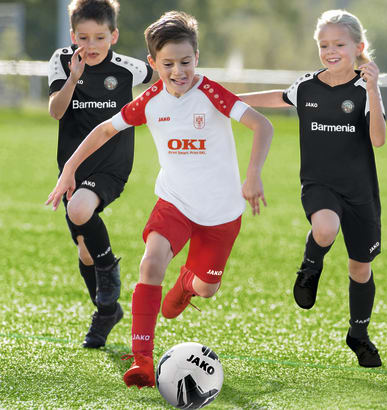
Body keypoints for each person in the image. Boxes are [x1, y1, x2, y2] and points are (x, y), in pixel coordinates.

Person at [46, 10, 274, 388]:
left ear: (196, 58)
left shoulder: (213, 93)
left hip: (220, 214)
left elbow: (261, 124)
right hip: (174, 203)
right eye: (168, 64)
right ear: (153, 64)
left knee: (207, 288)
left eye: (186, 62)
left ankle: (187, 284)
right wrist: (70, 168)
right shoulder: (150, 100)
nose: (178, 71)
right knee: (150, 265)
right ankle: (143, 362)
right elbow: (104, 129)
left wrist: (252, 175)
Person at [238, 9, 385, 368]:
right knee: (325, 227)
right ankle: (310, 266)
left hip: (360, 192)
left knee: (359, 269)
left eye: (339, 44)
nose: (330, 51)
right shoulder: (307, 85)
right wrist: (229, 100)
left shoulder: (363, 90)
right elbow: (279, 97)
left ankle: (358, 334)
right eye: (323, 44)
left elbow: (379, 140)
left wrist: (374, 89)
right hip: (319, 185)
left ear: (358, 46)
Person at [47, 0, 154, 350]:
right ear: (72, 35)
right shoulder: (62, 61)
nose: (91, 45)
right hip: (73, 166)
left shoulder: (130, 68)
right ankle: (107, 310)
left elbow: (167, 76)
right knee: (84, 251)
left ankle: (110, 279)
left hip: (112, 162)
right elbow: (56, 111)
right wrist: (74, 78)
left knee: (79, 210)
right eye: (83, 37)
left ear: (114, 35)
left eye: (99, 37)